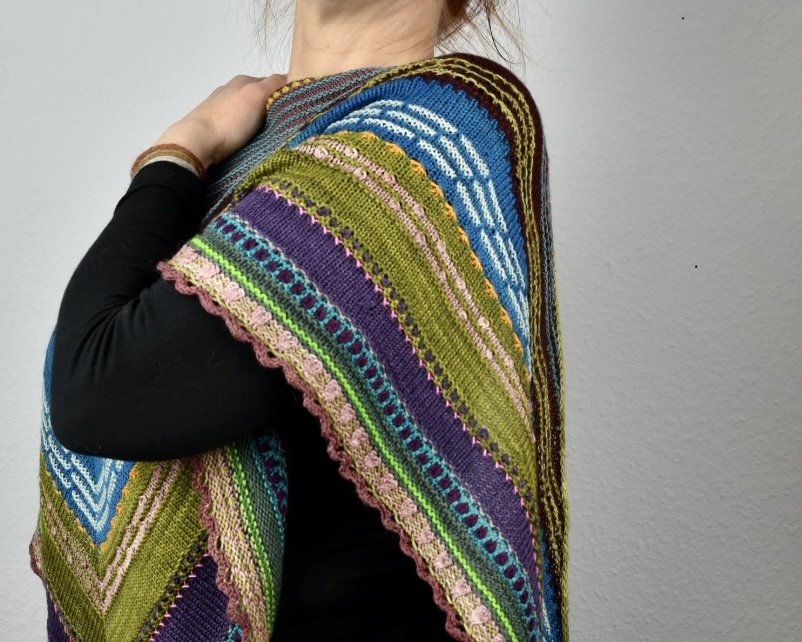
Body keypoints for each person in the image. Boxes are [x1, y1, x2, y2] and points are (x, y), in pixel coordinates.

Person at [31, 1, 569, 641]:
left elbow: (99, 387)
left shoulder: (439, 131)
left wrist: (174, 152)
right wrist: (191, 153)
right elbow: (108, 361)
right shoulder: (243, 157)